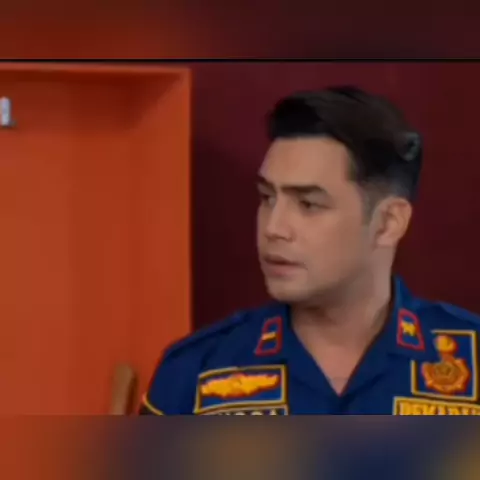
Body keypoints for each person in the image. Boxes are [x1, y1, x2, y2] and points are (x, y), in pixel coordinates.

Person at [139, 86, 480, 415]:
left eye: (308, 204)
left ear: (389, 222)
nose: (273, 228)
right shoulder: (194, 371)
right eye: (267, 198)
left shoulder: (471, 359)